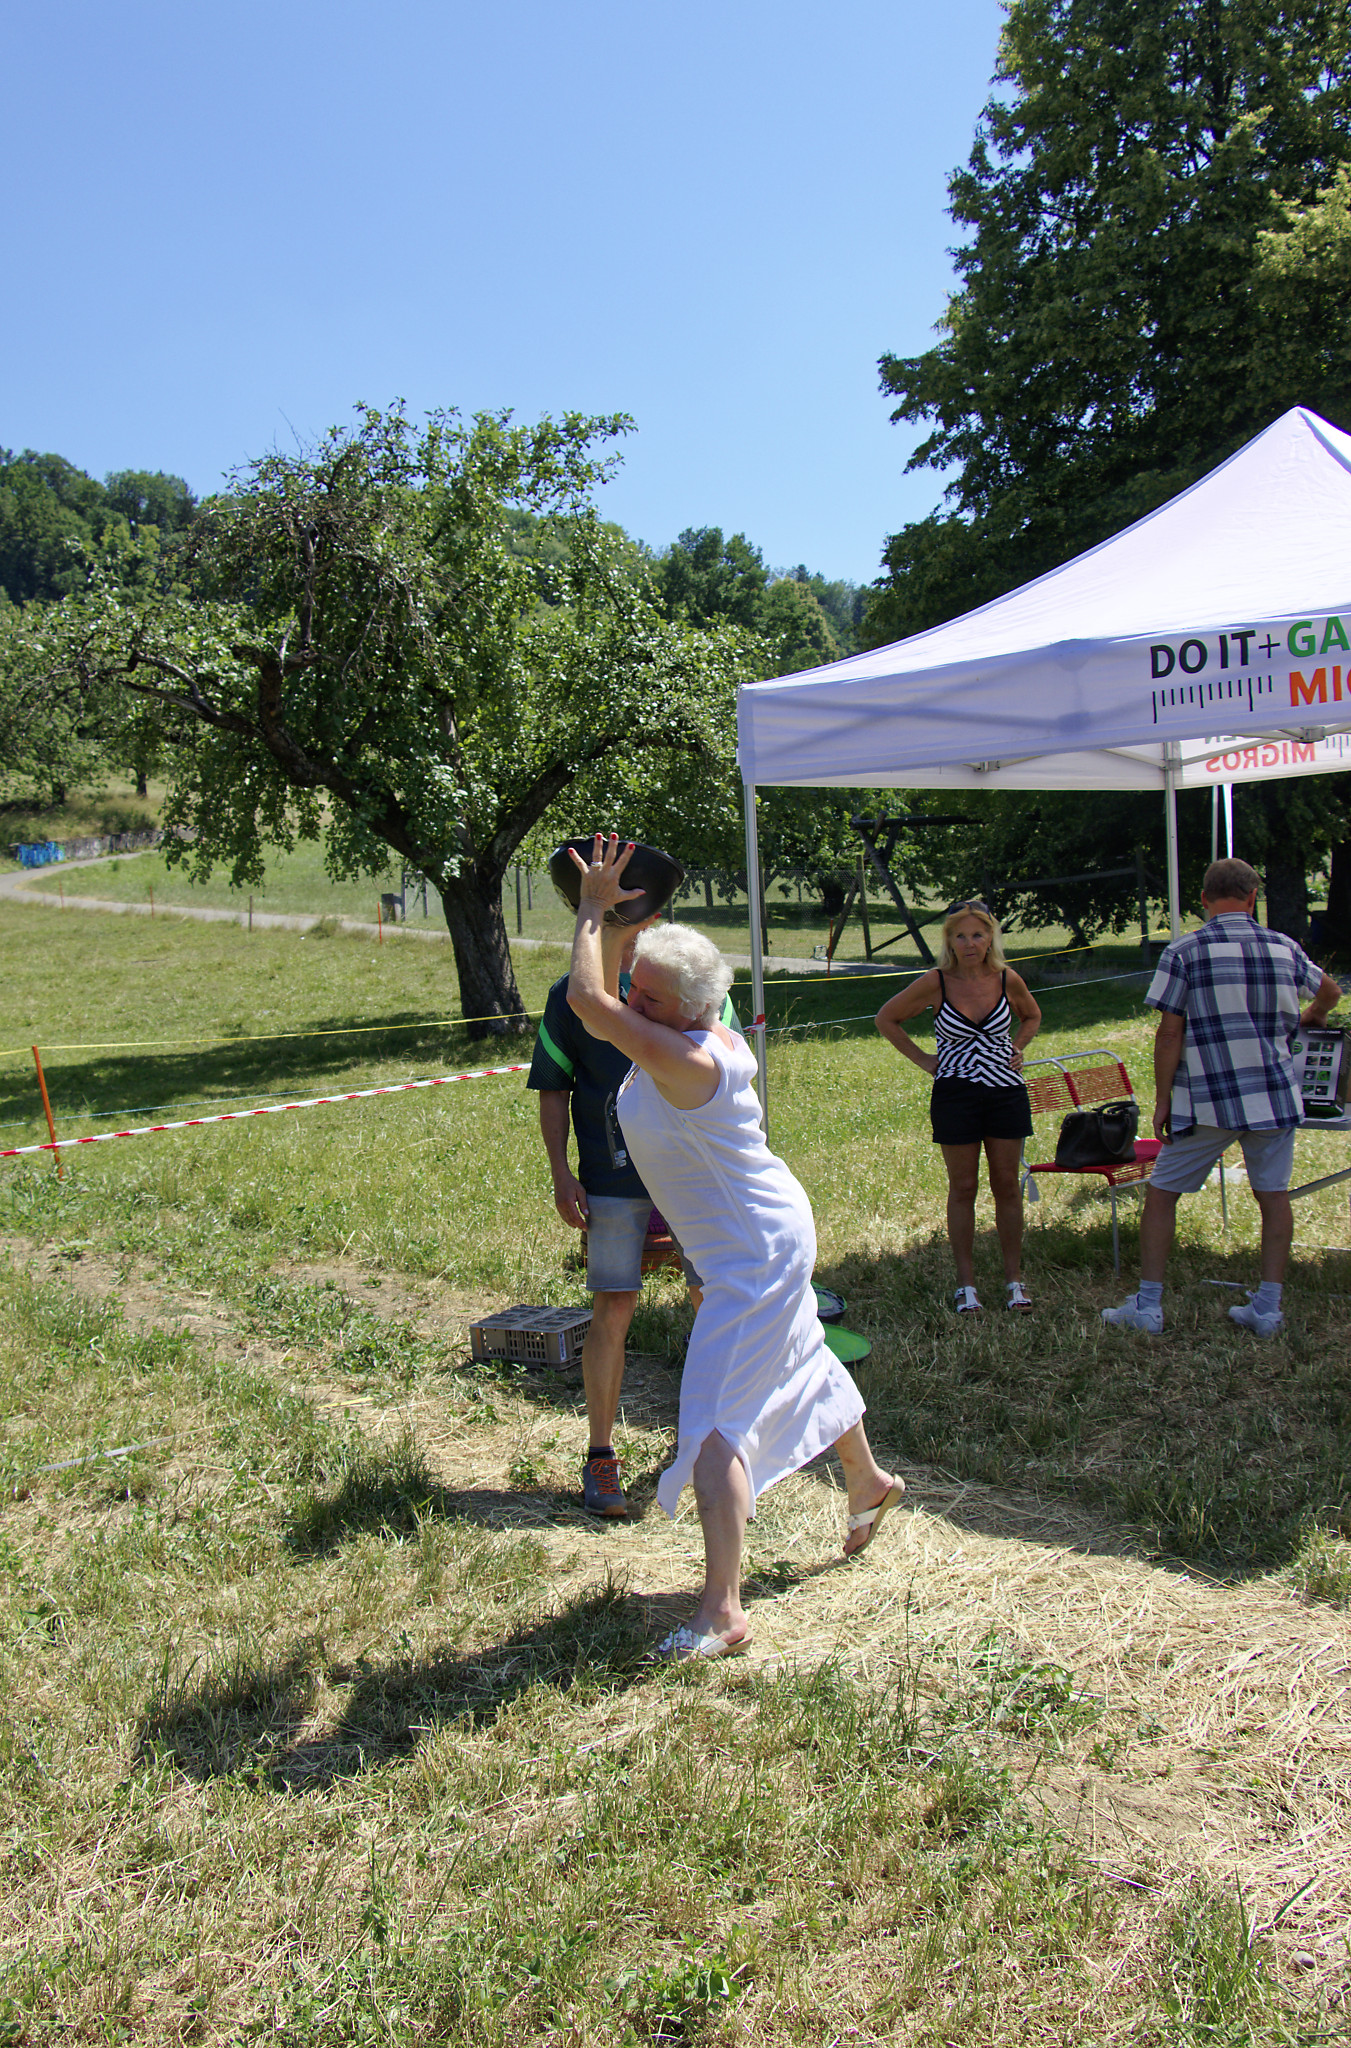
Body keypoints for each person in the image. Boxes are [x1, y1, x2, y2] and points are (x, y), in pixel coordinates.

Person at [565, 834, 904, 1662]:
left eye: (646, 997)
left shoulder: (685, 1056)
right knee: (802, 1354)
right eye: (634, 987)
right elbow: (612, 991)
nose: (631, 1000)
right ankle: (868, 1482)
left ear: (689, 1012)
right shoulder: (686, 1020)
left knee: (714, 1420)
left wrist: (589, 912)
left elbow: (586, 1002)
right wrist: (621, 918)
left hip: (752, 1249)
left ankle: (721, 1611)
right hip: (758, 1232)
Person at [1103, 857, 1343, 1338]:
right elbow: (1331, 991)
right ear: (1253, 897)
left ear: (1204, 900)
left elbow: (1169, 1034)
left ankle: (1148, 1304)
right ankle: (1268, 1308)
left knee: (1162, 1194)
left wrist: (1163, 1098)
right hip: (1273, 1096)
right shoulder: (1284, 946)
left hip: (1207, 1098)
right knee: (1273, 1197)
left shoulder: (1184, 951)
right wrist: (1312, 1014)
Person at [874, 900, 1042, 1314]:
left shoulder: (1006, 978)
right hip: (955, 1095)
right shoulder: (936, 982)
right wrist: (924, 1060)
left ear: (990, 938)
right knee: (964, 1187)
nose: (970, 944)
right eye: (961, 936)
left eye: (978, 935)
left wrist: (1018, 1047)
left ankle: (1014, 1281)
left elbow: (1032, 1015)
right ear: (949, 941)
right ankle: (966, 1285)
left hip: (1006, 1092)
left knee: (1007, 1185)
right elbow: (886, 1018)